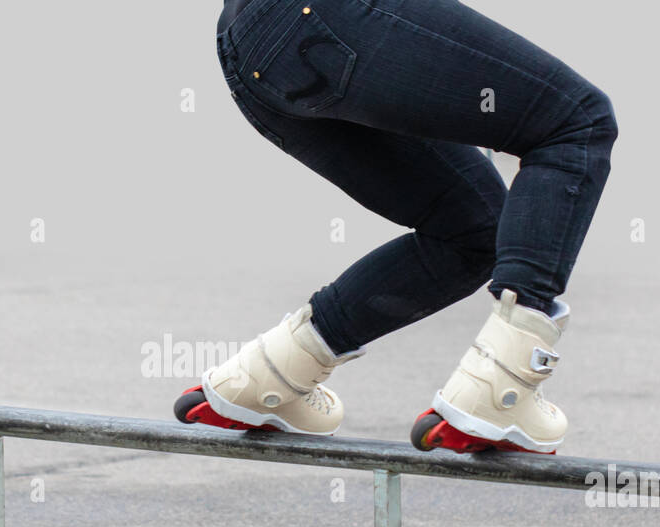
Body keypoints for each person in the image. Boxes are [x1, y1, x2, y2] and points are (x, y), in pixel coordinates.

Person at [177, 0, 618, 454]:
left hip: (249, 47)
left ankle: (268, 377)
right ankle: (500, 390)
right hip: (322, 19)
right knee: (576, 121)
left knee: (474, 226)